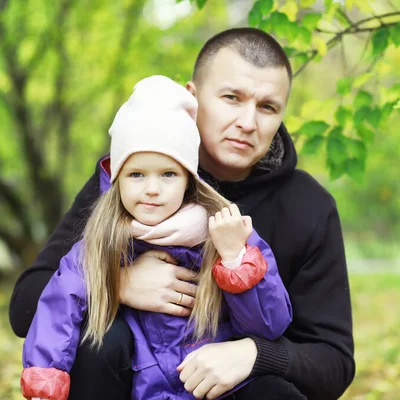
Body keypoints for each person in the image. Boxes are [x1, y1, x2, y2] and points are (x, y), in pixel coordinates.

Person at [10, 27, 355, 400]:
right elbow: (27, 305)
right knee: (100, 341)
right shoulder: (131, 183)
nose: (248, 122)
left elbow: (333, 363)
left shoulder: (309, 207)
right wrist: (117, 284)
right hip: (134, 381)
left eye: (267, 107)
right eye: (231, 98)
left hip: (236, 389)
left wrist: (255, 355)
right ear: (192, 99)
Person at [20, 75, 292, 400]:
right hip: (144, 390)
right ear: (117, 180)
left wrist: (236, 260)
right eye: (136, 174)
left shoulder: (222, 232)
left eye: (168, 174)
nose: (152, 188)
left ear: (189, 181)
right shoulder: (101, 243)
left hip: (216, 389)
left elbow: (269, 325)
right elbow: (59, 305)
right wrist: (47, 376)